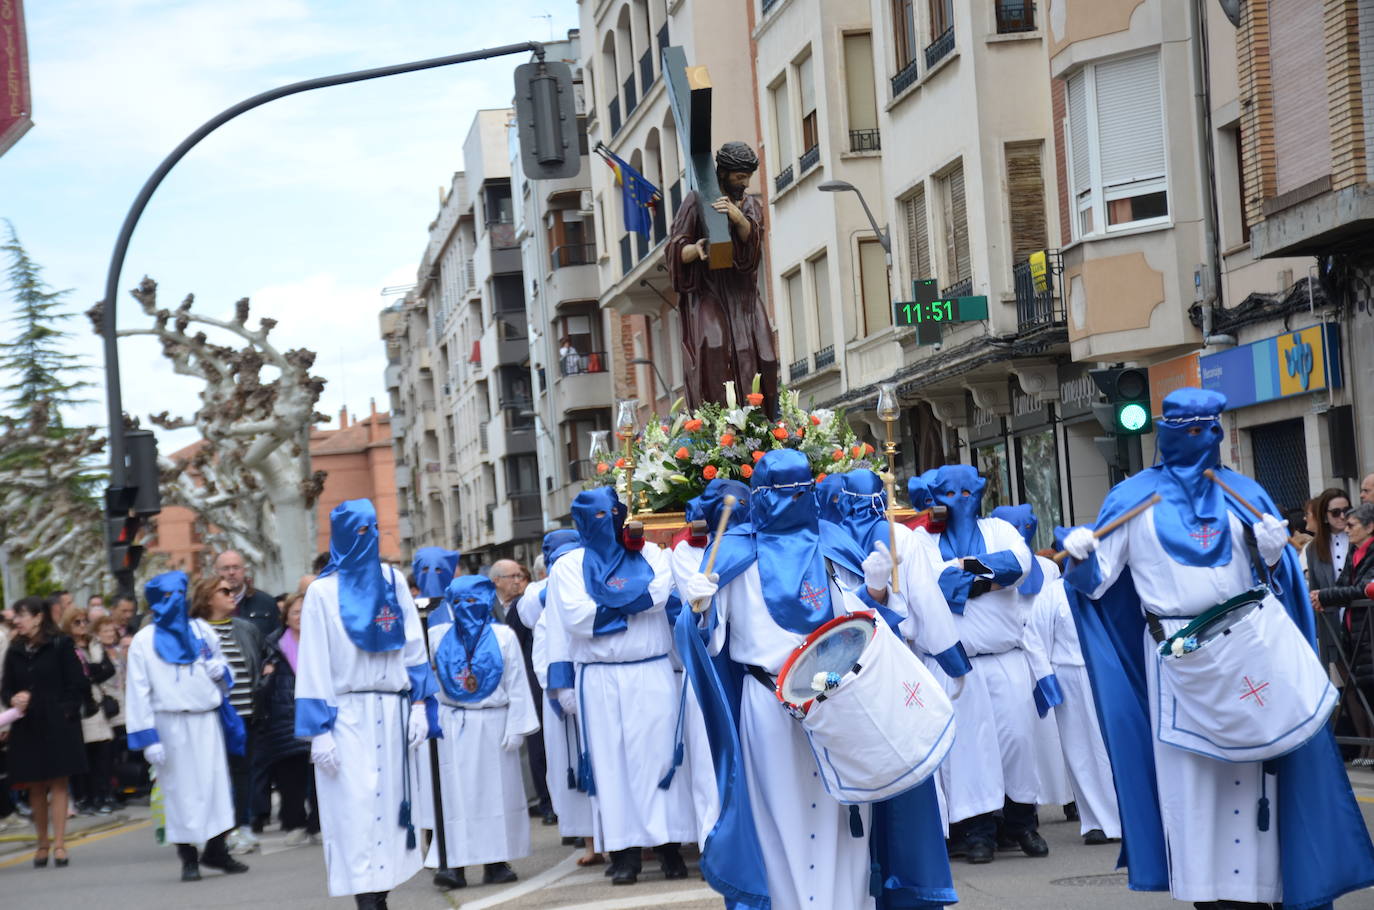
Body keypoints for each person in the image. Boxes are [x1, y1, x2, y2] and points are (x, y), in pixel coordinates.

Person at [1061, 387, 1374, 909]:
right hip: (1177, 664)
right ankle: (1211, 897)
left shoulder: (1242, 493)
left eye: (1211, 427)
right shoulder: (1133, 499)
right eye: (1190, 429)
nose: (1203, 438)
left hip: (1250, 653)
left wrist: (1274, 558)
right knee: (1195, 784)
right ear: (1166, 434)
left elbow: (1277, 588)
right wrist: (1079, 558)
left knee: (1261, 779)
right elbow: (1096, 585)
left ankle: (1271, 889)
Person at [678, 450, 954, 909]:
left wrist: (878, 589)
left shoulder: (833, 543)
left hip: (839, 697)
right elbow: (707, 645)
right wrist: (698, 610)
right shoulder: (731, 553)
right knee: (775, 818)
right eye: (781, 492)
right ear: (760, 496)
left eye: (801, 490)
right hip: (766, 705)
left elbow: (868, 627)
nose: (793, 500)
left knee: (846, 815)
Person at [544, 486, 695, 885]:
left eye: (613, 513)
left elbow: (659, 595)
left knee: (659, 758)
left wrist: (611, 606)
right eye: (597, 516)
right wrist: (633, 604)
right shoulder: (569, 566)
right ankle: (624, 853)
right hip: (600, 678)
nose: (607, 522)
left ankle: (669, 849)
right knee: (612, 764)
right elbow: (576, 618)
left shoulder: (650, 554)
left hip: (650, 671)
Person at [294, 499, 438, 910]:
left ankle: (382, 890)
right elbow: (314, 660)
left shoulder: (392, 581)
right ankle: (365, 894)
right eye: (360, 530)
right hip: (347, 715)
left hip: (392, 710)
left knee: (393, 804)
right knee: (354, 806)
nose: (370, 537)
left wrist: (419, 704)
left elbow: (413, 645)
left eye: (374, 528)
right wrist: (319, 731)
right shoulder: (322, 592)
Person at [917, 464, 1042, 864]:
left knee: (1018, 742)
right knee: (970, 751)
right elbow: (930, 583)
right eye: (950, 496)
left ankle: (1022, 822)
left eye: (966, 494)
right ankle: (979, 833)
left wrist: (962, 570)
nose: (959, 503)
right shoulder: (922, 539)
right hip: (959, 665)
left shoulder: (1000, 530)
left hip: (1006, 658)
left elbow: (1018, 563)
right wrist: (988, 577)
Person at [992, 506, 1122, 846]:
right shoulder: (1055, 592)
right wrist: (1046, 677)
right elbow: (1035, 638)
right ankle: (1094, 819)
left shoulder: (1112, 586)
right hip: (1070, 677)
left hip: (1110, 676)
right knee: (1079, 748)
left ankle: (1126, 816)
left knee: (1115, 745)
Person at [124, 571, 247, 881]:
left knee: (215, 786)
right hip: (170, 722)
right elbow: (137, 692)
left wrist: (222, 674)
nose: (174, 603)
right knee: (179, 791)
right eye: (167, 598)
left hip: (206, 719)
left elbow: (223, 673)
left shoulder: (202, 631)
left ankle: (218, 849)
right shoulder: (144, 640)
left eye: (178, 596)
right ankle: (188, 856)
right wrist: (148, 738)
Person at [425, 575, 539, 886]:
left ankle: (496, 861)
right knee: (453, 798)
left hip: (494, 724)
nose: (467, 608)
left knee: (495, 797)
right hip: (453, 724)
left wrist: (518, 725)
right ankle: (451, 864)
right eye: (459, 602)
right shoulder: (436, 635)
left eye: (474, 601)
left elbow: (517, 681)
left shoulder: (503, 636)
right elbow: (428, 682)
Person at [665, 141, 779, 411]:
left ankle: (764, 421)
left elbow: (751, 252)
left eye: (748, 177)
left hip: (745, 298)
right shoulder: (696, 201)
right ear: (723, 173)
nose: (745, 183)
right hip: (710, 293)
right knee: (714, 347)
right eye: (740, 177)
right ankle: (717, 425)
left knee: (766, 355)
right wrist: (696, 249)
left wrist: (739, 218)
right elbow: (674, 249)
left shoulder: (750, 205)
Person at [520, 530, 601, 867]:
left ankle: (620, 838)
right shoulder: (539, 595)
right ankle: (590, 840)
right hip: (561, 694)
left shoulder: (594, 582)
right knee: (571, 768)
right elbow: (541, 642)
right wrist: (558, 690)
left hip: (597, 688)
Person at [1, 597, 88, 868]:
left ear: (39, 617)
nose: (17, 620)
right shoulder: (14, 648)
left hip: (57, 722)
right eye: (16, 615)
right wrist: (14, 698)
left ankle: (60, 844)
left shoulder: (60, 644)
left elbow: (78, 684)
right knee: (34, 785)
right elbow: (6, 686)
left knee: (58, 783)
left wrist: (65, 711)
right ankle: (42, 843)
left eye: (22, 615)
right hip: (27, 724)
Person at [191, 574, 264, 853]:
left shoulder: (245, 628)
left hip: (246, 714)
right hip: (213, 717)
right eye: (223, 591)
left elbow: (258, 659)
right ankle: (220, 830)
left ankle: (242, 825)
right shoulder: (195, 631)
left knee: (243, 771)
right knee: (217, 774)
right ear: (207, 598)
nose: (231, 593)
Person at [1311, 501, 1374, 763]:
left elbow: (1363, 588)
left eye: (1352, 525)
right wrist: (1324, 597)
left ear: (1370, 527)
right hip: (1355, 632)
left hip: (1369, 631)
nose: (1346, 530)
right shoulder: (1354, 551)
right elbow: (1343, 584)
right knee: (1362, 691)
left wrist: (1324, 595)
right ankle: (1367, 750)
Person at [252, 593, 318, 845]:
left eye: (305, 611)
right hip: (283, 718)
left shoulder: (320, 640)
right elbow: (261, 683)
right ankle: (295, 823)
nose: (300, 617)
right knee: (290, 775)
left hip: (314, 713)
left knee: (319, 775)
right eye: (295, 612)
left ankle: (318, 822)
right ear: (286, 617)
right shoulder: (273, 643)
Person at [493, 558, 553, 825]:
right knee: (533, 747)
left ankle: (549, 801)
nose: (518, 580)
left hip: (538, 678)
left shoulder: (525, 603)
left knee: (545, 745)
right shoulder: (493, 606)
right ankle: (542, 800)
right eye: (512, 576)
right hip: (518, 682)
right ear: (496, 581)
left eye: (521, 575)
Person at [60, 608, 117, 816]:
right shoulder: (66, 646)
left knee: (103, 753)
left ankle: (103, 795)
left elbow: (108, 669)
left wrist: (92, 672)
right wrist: (93, 671)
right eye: (77, 622)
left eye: (84, 621)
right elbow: (77, 676)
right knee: (85, 756)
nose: (83, 625)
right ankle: (86, 798)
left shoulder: (94, 643)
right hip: (82, 707)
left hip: (98, 703)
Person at [90, 616, 128, 809]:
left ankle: (116, 788)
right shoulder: (96, 651)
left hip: (121, 702)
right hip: (106, 704)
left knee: (118, 752)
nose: (109, 634)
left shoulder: (118, 651)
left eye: (111, 630)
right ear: (97, 633)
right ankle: (105, 792)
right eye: (104, 631)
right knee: (107, 753)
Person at [214, 550, 282, 638]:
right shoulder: (203, 605)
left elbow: (276, 640)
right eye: (225, 568)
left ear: (245, 570)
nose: (231, 572)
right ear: (216, 571)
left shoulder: (266, 602)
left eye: (236, 567)